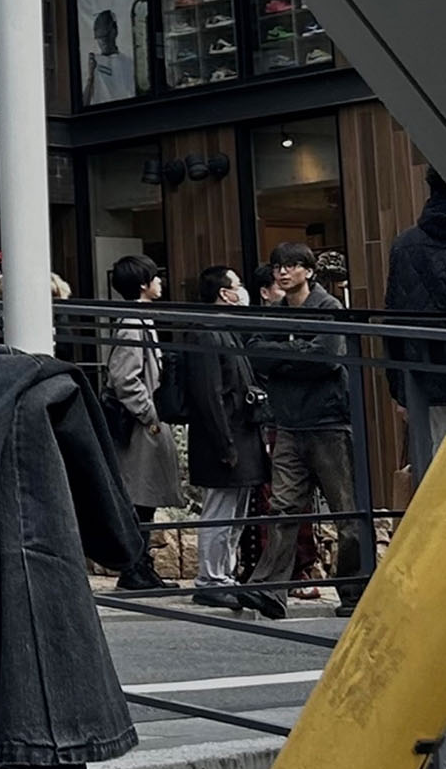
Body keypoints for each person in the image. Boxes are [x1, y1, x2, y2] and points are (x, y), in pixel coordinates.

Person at [244, 242, 368, 618]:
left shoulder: (329, 307)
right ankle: (270, 590)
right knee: (282, 508)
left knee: (346, 512)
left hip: (328, 423)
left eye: (292, 265)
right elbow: (257, 353)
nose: (283, 272)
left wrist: (284, 355)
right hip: (288, 422)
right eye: (278, 266)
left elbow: (325, 358)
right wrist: (297, 351)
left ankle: (354, 592)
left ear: (309, 271)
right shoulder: (274, 311)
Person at [186, 265, 267, 612]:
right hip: (225, 438)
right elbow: (209, 395)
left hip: (239, 435)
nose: (242, 290)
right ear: (224, 293)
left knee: (234, 513)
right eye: (238, 285)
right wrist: (224, 443)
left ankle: (223, 575)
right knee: (221, 510)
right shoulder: (208, 332)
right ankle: (211, 579)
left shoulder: (223, 330)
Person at [105, 254, 182, 589]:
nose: (160, 282)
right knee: (139, 498)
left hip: (141, 423)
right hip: (139, 426)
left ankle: (140, 567)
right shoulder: (134, 322)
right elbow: (124, 377)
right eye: (155, 277)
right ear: (142, 284)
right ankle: (134, 569)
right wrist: (149, 415)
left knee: (143, 499)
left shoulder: (138, 319)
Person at [385, 166, 446, 463]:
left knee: (439, 466)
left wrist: (400, 392)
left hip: (428, 379)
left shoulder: (405, 245)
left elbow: (394, 321)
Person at [84, 8, 136, 105]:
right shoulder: (93, 62)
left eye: (106, 35)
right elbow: (84, 103)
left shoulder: (129, 63)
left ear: (115, 32)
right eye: (99, 37)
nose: (103, 41)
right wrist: (90, 77)